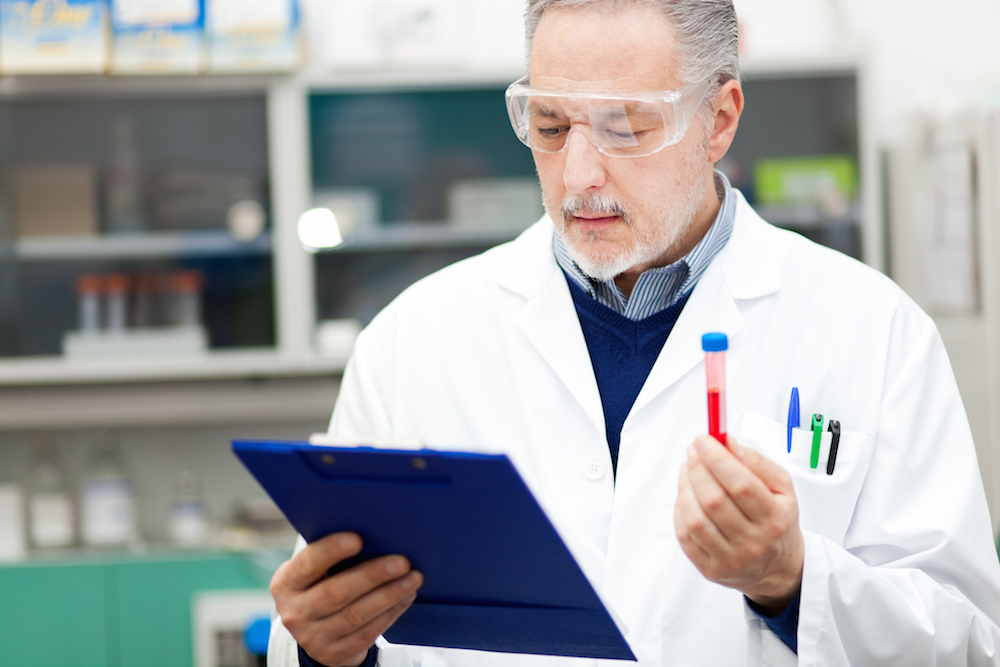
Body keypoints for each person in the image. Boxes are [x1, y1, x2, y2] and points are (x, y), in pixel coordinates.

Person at [268, 0, 1000, 665]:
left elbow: (967, 643)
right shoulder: (412, 343)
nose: (579, 174)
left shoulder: (875, 331)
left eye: (624, 127)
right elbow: (329, 621)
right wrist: (324, 653)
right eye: (551, 127)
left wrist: (792, 579)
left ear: (718, 121)